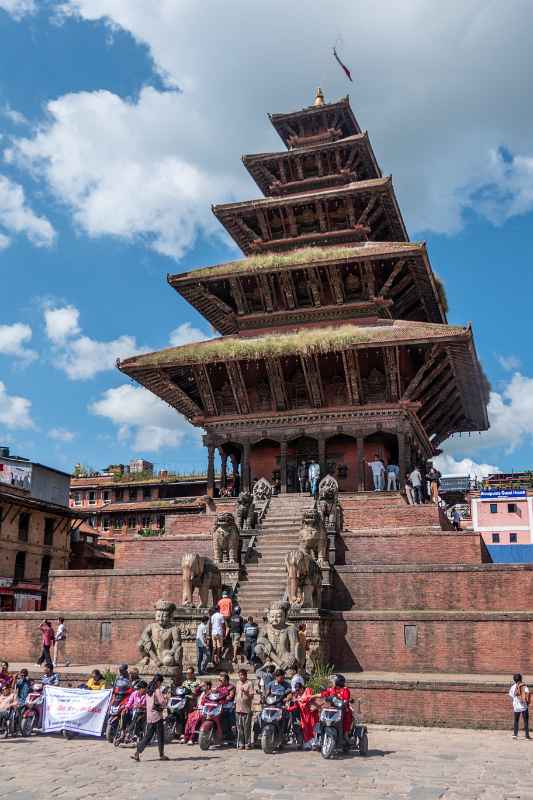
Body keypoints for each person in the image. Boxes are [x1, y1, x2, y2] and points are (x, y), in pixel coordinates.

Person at [132, 674, 169, 762]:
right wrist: (166, 698)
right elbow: (162, 702)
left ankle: (137, 753)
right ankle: (161, 755)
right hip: (157, 716)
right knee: (160, 736)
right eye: (160, 682)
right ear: (158, 682)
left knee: (147, 737)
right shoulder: (157, 690)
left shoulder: (149, 690)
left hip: (150, 716)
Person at [310, 674, 353, 746]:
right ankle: (319, 737)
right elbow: (323, 694)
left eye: (334, 681)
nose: (332, 682)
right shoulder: (331, 689)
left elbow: (346, 699)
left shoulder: (345, 690)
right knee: (322, 719)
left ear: (338, 682)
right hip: (332, 710)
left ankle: (345, 734)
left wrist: (346, 701)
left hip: (343, 710)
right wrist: (312, 696)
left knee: (347, 717)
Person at [183, 679, 212, 745]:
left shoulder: (210, 693)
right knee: (189, 717)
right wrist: (199, 686)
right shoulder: (202, 692)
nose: (202, 687)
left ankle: (192, 738)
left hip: (205, 712)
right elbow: (195, 691)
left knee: (194, 719)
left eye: (204, 685)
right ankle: (186, 736)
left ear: (208, 686)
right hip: (199, 710)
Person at [235, 668, 254, 750]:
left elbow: (251, 696)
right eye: (239, 675)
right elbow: (236, 694)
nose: (241, 677)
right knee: (240, 727)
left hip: (246, 709)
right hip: (238, 708)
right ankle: (241, 743)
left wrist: (245, 691)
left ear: (245, 675)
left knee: (247, 727)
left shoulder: (249, 683)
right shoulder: (238, 683)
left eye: (242, 675)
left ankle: (247, 743)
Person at [510, 673, 530, 739]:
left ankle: (515, 734)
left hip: (516, 707)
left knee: (516, 720)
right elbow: (528, 696)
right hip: (524, 707)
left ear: (514, 679)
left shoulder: (513, 687)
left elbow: (512, 696)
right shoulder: (524, 686)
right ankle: (527, 736)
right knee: (526, 721)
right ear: (521, 678)